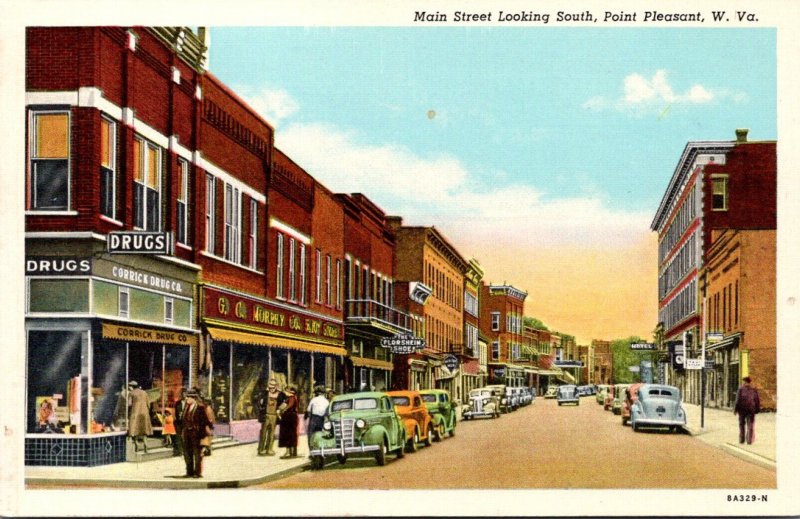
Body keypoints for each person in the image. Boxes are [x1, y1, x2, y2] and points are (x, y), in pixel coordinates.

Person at [180, 387, 213, 478]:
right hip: (187, 433)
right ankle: (189, 472)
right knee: (187, 453)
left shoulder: (200, 408)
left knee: (197, 454)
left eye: (188, 397)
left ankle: (197, 473)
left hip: (197, 434)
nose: (186, 399)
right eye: (186, 397)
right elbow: (183, 420)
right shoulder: (186, 408)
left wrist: (202, 435)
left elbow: (205, 421)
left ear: (193, 398)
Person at [256, 378, 285, 456]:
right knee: (263, 433)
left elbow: (284, 403)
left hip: (274, 416)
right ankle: (261, 449)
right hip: (266, 415)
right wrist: (260, 403)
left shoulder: (280, 394)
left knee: (271, 434)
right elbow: (258, 402)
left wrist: (280, 409)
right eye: (270, 387)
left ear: (276, 386)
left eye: (273, 387)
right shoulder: (264, 393)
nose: (271, 389)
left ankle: (269, 449)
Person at [734, 376, 761, 445]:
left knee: (741, 425)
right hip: (751, 409)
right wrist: (757, 409)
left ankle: (741, 440)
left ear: (745, 382)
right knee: (750, 425)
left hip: (742, 410)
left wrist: (735, 410)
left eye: (743, 381)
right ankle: (749, 440)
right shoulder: (754, 390)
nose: (742, 383)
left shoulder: (740, 389)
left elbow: (737, 400)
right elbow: (757, 400)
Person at [127, 381, 153, 453]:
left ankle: (137, 446)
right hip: (144, 413)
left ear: (132, 386)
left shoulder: (131, 393)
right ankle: (146, 447)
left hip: (135, 412)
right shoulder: (144, 393)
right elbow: (149, 404)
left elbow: (129, 404)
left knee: (134, 430)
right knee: (144, 431)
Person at [278, 385, 299, 458]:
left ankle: (291, 452)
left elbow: (287, 406)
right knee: (289, 435)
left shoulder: (292, 398)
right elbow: (281, 406)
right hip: (288, 418)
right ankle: (290, 451)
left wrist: (282, 410)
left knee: (290, 435)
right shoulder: (289, 398)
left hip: (290, 418)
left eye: (287, 390)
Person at [172, 387, 187, 456]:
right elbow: (174, 412)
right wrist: (174, 419)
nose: (184, 395)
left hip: (186, 423)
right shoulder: (177, 403)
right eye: (183, 394)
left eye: (185, 394)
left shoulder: (189, 403)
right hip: (178, 422)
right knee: (178, 436)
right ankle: (180, 451)